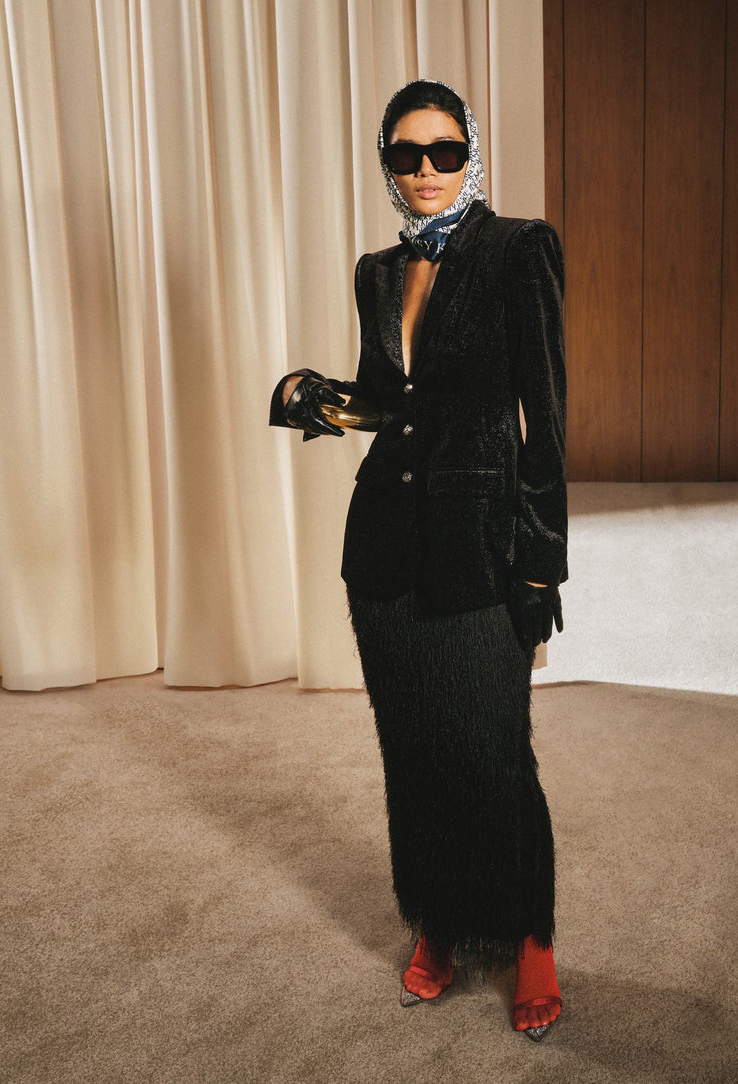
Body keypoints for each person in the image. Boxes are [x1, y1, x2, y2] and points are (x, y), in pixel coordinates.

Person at [269, 79, 566, 1041]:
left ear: (469, 151)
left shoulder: (519, 250)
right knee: (414, 755)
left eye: (443, 151)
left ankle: (529, 940)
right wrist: (314, 398)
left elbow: (546, 424)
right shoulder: (374, 270)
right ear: (388, 165)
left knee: (492, 756)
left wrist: (539, 569)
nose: (427, 171)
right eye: (406, 155)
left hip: (482, 546)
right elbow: (387, 400)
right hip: (385, 549)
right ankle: (437, 921)